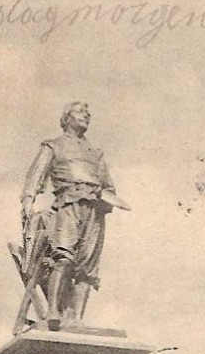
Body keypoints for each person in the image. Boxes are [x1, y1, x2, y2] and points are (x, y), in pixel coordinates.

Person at [20, 102, 129, 329]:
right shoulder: (54, 146)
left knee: (87, 268)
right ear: (66, 118)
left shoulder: (95, 154)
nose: (86, 116)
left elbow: (109, 186)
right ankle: (53, 312)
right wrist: (28, 201)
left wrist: (107, 197)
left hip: (95, 209)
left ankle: (77, 318)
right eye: (80, 112)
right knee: (65, 257)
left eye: (88, 113)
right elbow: (35, 176)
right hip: (67, 205)